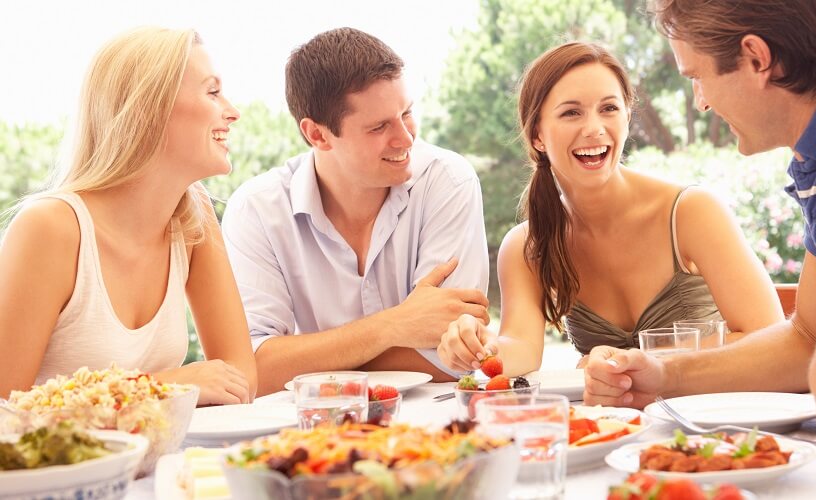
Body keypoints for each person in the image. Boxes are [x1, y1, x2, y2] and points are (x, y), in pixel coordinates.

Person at [584, 1, 816, 496]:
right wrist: (661, 375)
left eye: (696, 76)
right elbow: (808, 336)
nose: (699, 101)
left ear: (757, 58)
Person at [437, 41, 783, 376]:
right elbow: (522, 350)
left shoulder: (691, 212)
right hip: (615, 429)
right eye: (571, 112)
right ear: (537, 136)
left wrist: (637, 360)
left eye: (609, 108)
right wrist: (480, 347)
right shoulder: (527, 246)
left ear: (627, 117)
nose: (594, 129)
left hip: (716, 420)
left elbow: (769, 337)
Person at [221, 27, 489, 395]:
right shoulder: (256, 211)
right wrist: (394, 326)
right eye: (379, 127)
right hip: (314, 432)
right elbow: (251, 372)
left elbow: (454, 357)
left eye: (406, 113)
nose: (406, 138)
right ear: (317, 135)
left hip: (436, 424)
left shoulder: (447, 181)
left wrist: (309, 358)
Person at [0, 27, 258, 405]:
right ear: (150, 109)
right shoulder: (50, 227)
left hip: (161, 464)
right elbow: (6, 405)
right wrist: (166, 386)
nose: (233, 112)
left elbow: (241, 378)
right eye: (213, 92)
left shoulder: (193, 217)